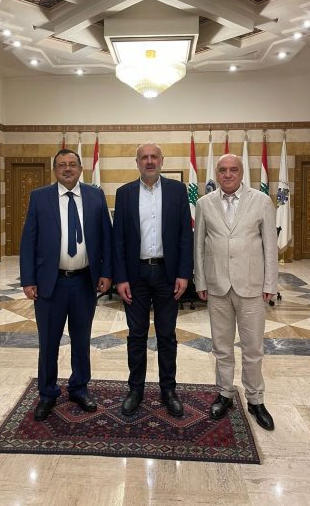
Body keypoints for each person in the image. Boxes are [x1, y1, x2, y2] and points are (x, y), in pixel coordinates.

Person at [20, 148, 112, 421]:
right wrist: (28, 279)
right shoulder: (39, 197)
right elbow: (28, 241)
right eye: (62, 164)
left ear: (81, 169)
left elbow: (106, 238)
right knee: (48, 341)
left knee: (81, 339)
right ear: (55, 170)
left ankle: (79, 388)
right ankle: (47, 393)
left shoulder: (95, 196)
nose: (67, 168)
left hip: (84, 282)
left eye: (72, 164)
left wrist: (106, 273)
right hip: (51, 284)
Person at [194, 153, 278, 431]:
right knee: (221, 346)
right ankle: (225, 393)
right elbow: (199, 245)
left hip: (251, 286)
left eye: (233, 170)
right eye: (222, 170)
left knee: (253, 347)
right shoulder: (204, 203)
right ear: (216, 174)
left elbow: (270, 246)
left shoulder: (261, 201)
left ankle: (255, 399)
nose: (227, 174)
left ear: (241, 173)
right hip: (217, 286)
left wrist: (270, 284)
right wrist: (201, 281)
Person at [113, 142, 193, 417]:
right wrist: (120, 278)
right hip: (134, 275)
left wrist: (184, 273)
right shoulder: (124, 193)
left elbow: (185, 236)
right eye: (144, 157)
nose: (149, 161)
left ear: (162, 161)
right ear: (137, 163)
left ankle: (168, 390)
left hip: (167, 275)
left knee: (167, 335)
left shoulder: (177, 190)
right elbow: (118, 239)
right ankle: (135, 390)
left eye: (154, 157)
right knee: (136, 335)